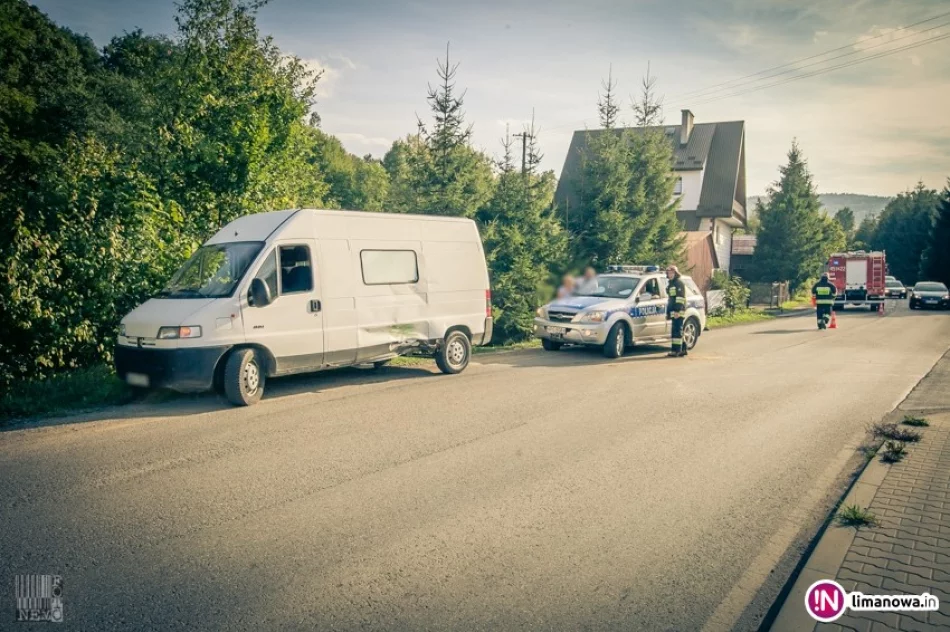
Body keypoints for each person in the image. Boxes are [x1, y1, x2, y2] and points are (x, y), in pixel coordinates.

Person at [666, 265, 688, 357]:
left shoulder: (678, 283)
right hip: (674, 311)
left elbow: (680, 298)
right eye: (668, 273)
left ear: (675, 273)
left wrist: (677, 311)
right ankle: (683, 349)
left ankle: (676, 351)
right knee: (678, 330)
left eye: (671, 272)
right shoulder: (672, 283)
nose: (670, 274)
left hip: (678, 311)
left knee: (676, 331)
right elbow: (671, 298)